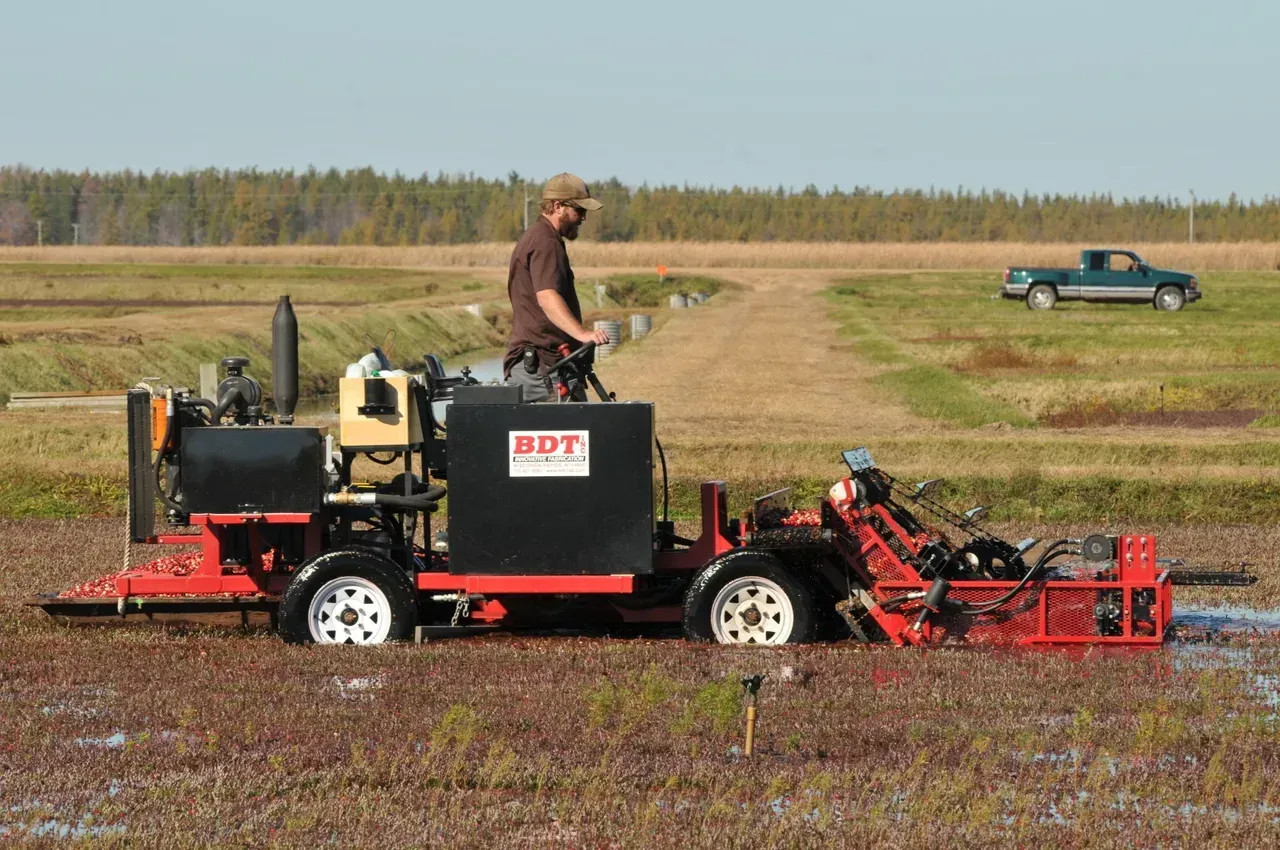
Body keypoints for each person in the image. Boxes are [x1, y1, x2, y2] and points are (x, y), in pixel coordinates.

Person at [503, 173, 610, 402]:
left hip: (548, 365)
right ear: (558, 206)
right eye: (579, 211)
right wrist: (583, 334)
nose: (583, 218)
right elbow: (547, 297)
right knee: (577, 433)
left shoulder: (541, 237)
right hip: (543, 370)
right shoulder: (545, 241)